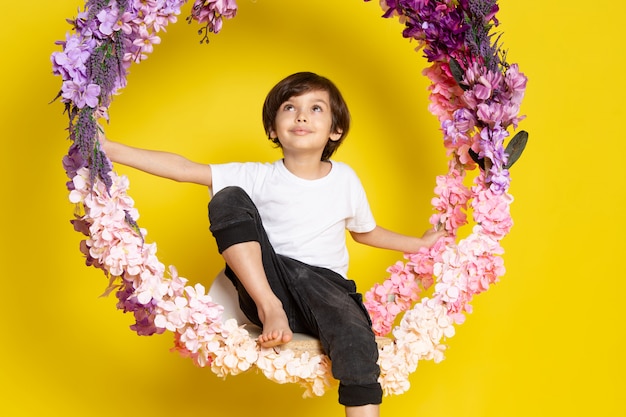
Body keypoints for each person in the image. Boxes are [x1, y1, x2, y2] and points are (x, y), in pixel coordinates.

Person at [100, 72, 444, 417]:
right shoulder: (257, 176)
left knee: (356, 337)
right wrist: (108, 149)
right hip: (267, 285)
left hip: (326, 292)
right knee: (228, 197)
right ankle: (270, 309)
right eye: (290, 107)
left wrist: (419, 244)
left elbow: (365, 232)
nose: (302, 116)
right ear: (272, 129)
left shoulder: (345, 180)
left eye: (316, 108)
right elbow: (184, 169)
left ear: (335, 130)